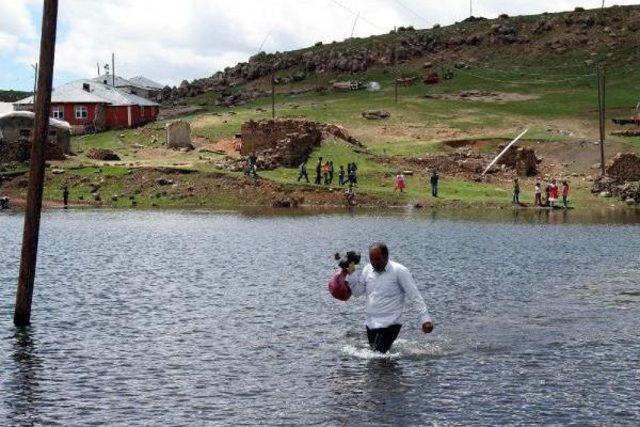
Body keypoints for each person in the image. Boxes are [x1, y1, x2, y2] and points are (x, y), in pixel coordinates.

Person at [346, 242, 434, 353]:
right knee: (376, 357)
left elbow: (415, 296)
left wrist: (425, 319)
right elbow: (357, 292)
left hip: (391, 323)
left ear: (386, 256)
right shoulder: (367, 269)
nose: (374, 263)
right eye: (371, 259)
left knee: (377, 355)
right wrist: (352, 273)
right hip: (371, 323)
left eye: (377, 259)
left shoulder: (399, 271)